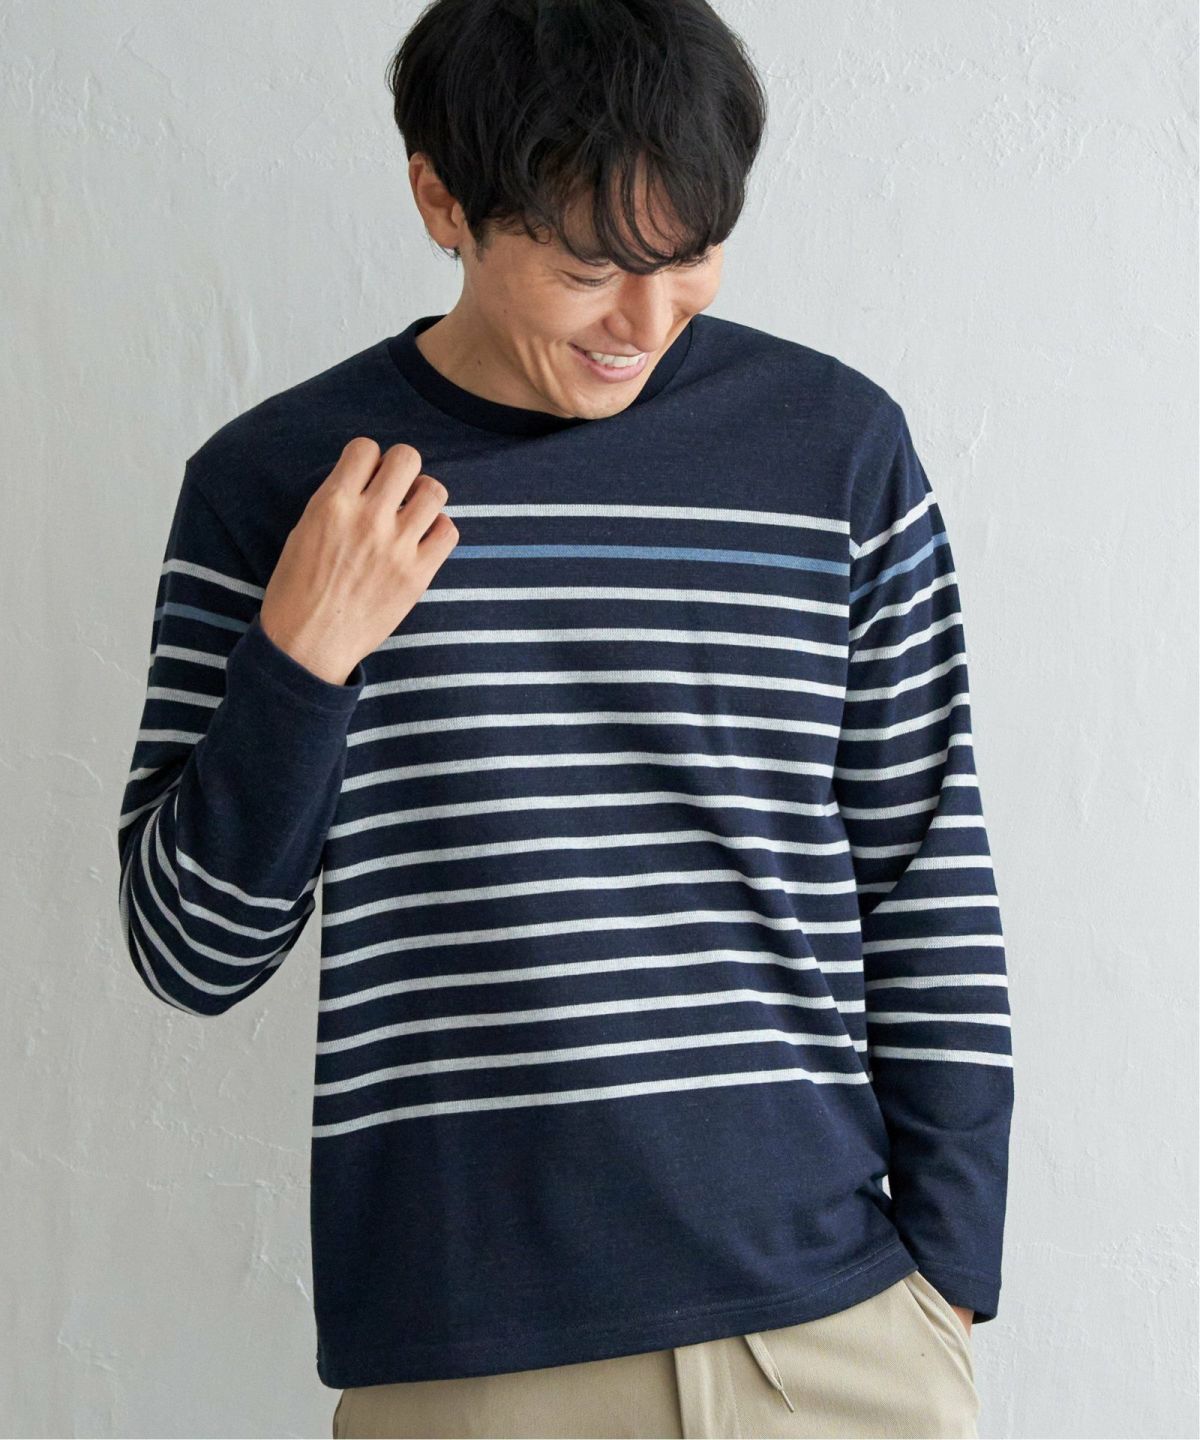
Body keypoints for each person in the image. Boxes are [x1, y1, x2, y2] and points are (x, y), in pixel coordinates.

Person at [116, 1, 1013, 1436]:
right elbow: (190, 955)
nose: (645, 325)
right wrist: (301, 657)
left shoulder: (835, 450)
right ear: (441, 201)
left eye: (690, 256)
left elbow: (922, 870)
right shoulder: (278, 482)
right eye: (592, 269)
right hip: (473, 1365)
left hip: (834, 1338)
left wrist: (951, 1281)